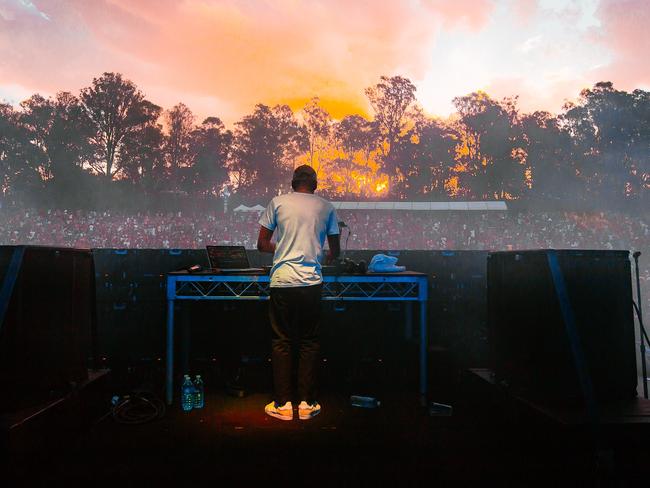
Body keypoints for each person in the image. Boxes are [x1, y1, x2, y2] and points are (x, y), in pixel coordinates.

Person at [257, 165, 340, 420]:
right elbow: (335, 251)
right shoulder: (326, 207)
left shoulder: (277, 203)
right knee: (309, 341)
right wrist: (316, 254)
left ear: (292, 183)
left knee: (281, 340)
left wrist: (284, 251)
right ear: (315, 184)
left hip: (282, 282)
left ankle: (282, 405)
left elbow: (261, 244)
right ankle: (306, 404)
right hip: (310, 283)